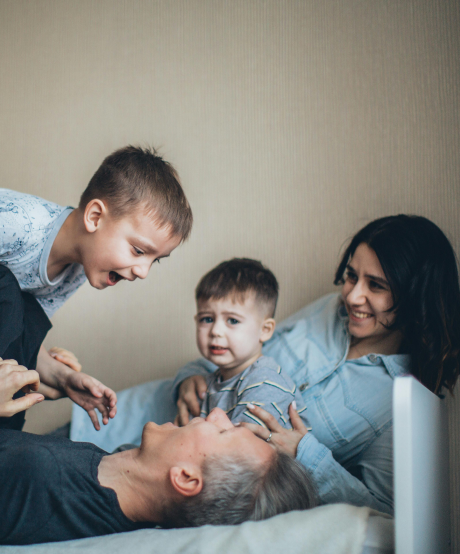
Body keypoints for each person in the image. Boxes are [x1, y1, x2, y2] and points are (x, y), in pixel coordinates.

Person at [70, 215, 460, 516]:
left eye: (376, 286)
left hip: (176, 474)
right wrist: (188, 376)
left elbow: (382, 510)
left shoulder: (408, 397)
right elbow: (242, 343)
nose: (353, 296)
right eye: (351, 276)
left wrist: (306, 453)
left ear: (415, 297)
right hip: (133, 415)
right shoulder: (327, 311)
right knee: (34, 456)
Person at [0, 145, 193, 430]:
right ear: (94, 217)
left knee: (29, 324)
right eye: (139, 251)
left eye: (156, 261)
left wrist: (60, 376)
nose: (143, 271)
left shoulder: (77, 270)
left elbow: (16, 330)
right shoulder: (18, 223)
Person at [0, 407, 317, 545]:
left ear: (187, 478)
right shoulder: (100, 482)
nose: (218, 414)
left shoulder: (38, 476)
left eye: (222, 431)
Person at [191, 258, 310, 429]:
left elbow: (243, 449)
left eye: (232, 320)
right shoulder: (211, 382)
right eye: (207, 319)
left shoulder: (265, 381)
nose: (215, 331)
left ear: (265, 330)